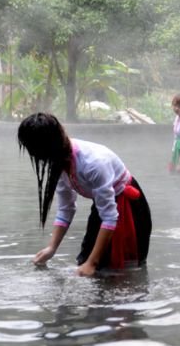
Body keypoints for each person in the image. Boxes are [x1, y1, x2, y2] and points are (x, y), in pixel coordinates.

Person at [18, 112, 152, 277]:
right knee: (85, 264)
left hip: (128, 207)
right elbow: (66, 209)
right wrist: (51, 248)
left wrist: (92, 263)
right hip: (104, 207)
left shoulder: (93, 164)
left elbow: (110, 217)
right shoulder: (59, 162)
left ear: (46, 148)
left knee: (122, 271)